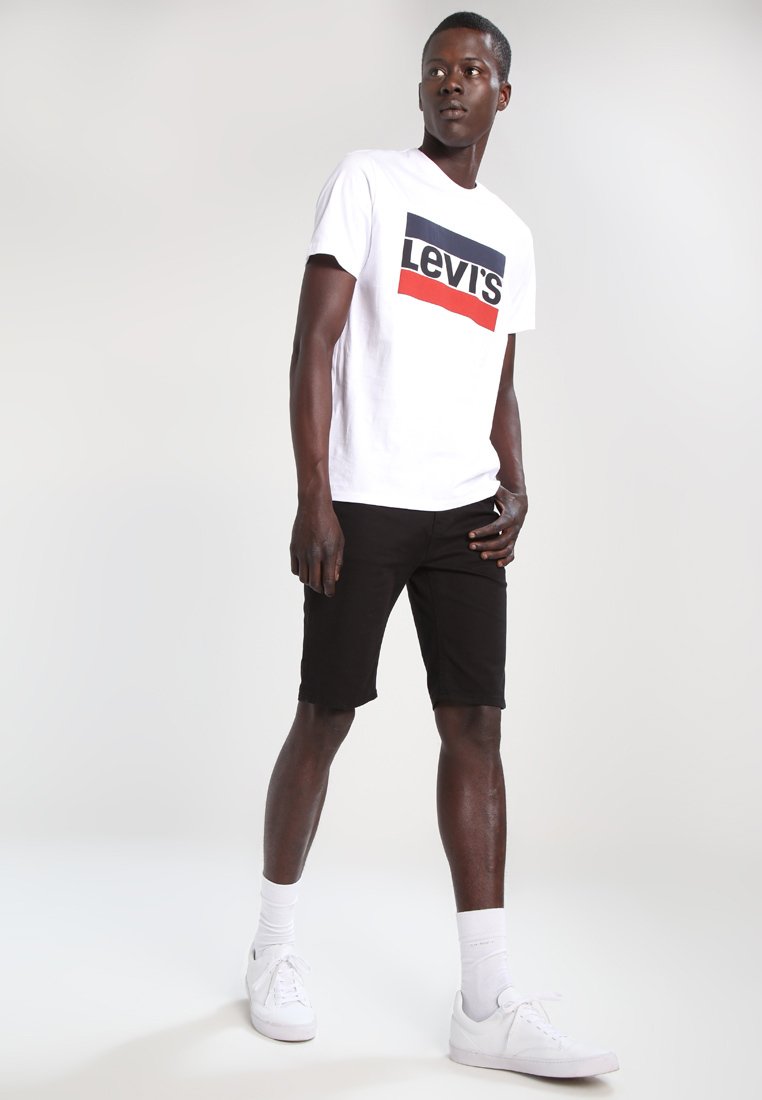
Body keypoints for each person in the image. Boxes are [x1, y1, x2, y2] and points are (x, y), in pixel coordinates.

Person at [244, 11, 619, 1079]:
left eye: (472, 70)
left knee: (476, 727)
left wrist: (518, 482)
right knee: (324, 715)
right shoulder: (368, 181)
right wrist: (314, 496)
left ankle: (486, 1003)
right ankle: (271, 951)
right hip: (363, 502)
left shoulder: (511, 235)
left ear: (503, 94)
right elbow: (314, 342)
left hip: (463, 514)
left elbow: (500, 379)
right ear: (421, 91)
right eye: (436, 70)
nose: (452, 83)